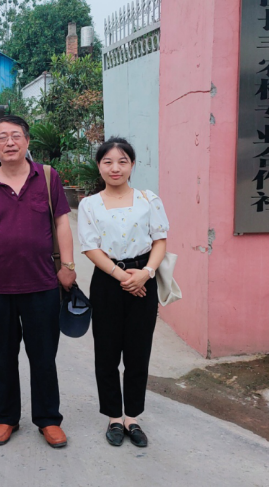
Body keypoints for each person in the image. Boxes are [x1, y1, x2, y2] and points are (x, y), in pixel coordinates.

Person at [0, 116, 76, 448]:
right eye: (2, 137)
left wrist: (68, 265)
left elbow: (62, 223)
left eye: (16, 136)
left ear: (27, 141)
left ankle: (48, 419)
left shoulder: (47, 177)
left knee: (43, 356)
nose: (10, 142)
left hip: (42, 283)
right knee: (4, 355)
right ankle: (5, 418)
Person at [77, 137, 169, 448]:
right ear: (99, 166)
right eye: (108, 162)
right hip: (107, 280)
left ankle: (132, 417)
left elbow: (160, 240)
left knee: (138, 352)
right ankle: (114, 417)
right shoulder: (89, 204)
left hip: (144, 277)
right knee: (106, 352)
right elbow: (90, 247)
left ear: (132, 165)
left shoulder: (148, 199)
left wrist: (146, 273)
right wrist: (122, 277)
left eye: (122, 161)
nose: (115, 168)